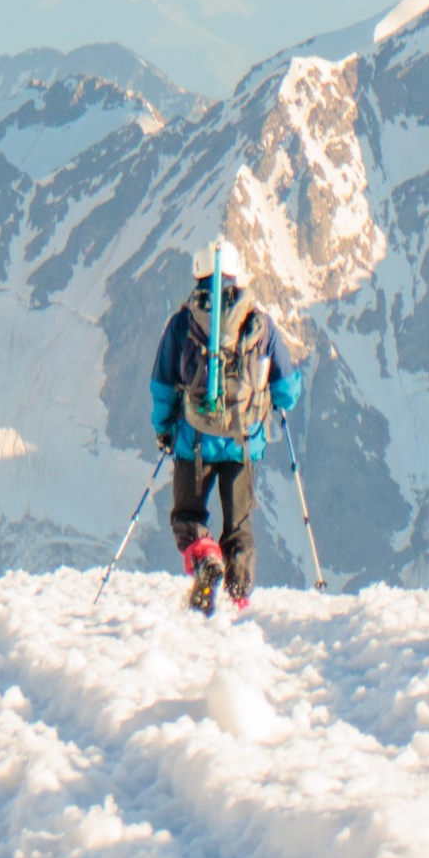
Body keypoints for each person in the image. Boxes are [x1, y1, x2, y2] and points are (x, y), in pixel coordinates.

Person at [150, 238, 303, 615]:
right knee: (239, 525)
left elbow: (162, 386)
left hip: (194, 440)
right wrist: (275, 402)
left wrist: (164, 429)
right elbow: (287, 388)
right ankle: (239, 600)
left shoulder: (183, 322)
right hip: (243, 440)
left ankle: (205, 559)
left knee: (187, 517)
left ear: (198, 274)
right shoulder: (260, 323)